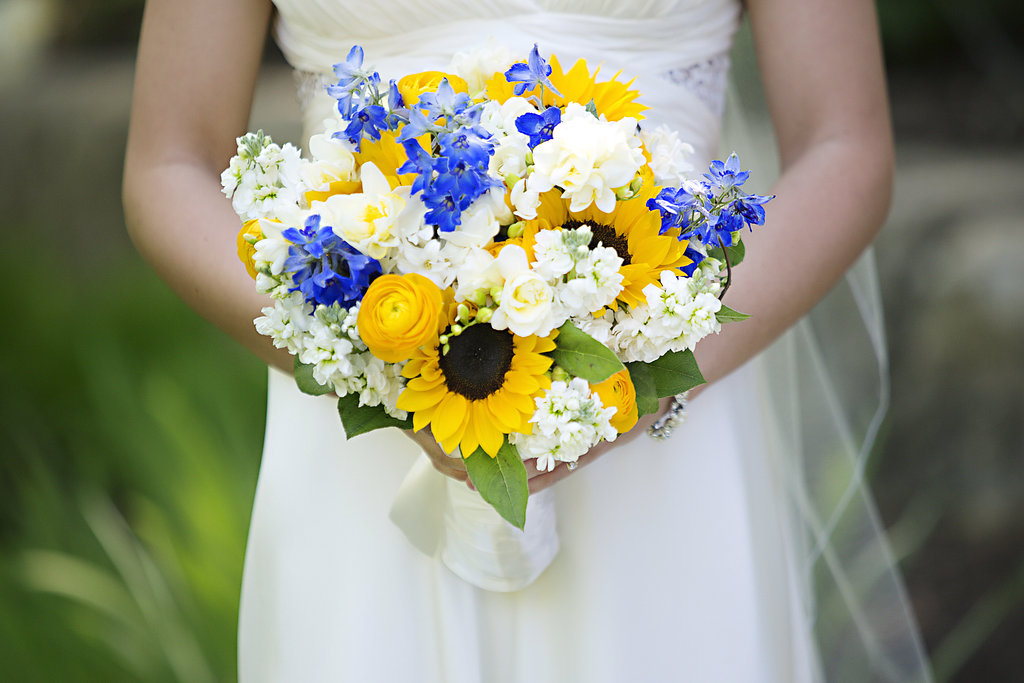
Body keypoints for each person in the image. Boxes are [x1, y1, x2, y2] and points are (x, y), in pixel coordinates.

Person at [123, 0, 932, 681]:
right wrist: (368, 357)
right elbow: (169, 162)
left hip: (669, 423)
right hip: (365, 433)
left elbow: (845, 146)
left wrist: (633, 381)